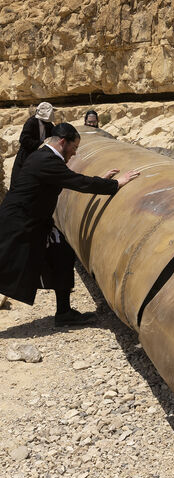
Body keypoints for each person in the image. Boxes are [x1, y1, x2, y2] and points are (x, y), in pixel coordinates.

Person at [0, 123, 140, 327]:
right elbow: (76, 182)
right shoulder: (46, 160)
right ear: (63, 142)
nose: (74, 154)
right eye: (74, 148)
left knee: (62, 254)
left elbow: (70, 180)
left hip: (33, 222)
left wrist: (100, 180)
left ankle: (64, 312)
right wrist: (115, 184)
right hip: (18, 224)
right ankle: (64, 312)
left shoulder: (45, 158)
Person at [11, 102, 55, 189]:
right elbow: (24, 140)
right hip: (26, 157)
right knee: (18, 184)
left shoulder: (49, 125)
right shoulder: (31, 122)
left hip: (40, 159)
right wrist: (41, 144)